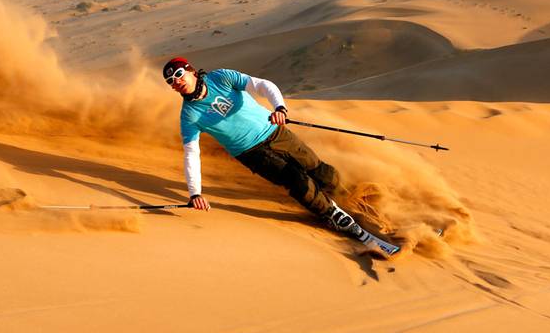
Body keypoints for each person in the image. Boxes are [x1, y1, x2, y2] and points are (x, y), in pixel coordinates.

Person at [163, 57, 395, 253]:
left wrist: (280, 108)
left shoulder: (221, 77)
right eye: (171, 81)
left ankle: (350, 199)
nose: (177, 82)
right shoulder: (189, 116)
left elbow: (262, 85)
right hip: (251, 152)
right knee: (296, 180)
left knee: (320, 170)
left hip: (276, 131)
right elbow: (191, 154)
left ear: (192, 71)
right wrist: (195, 194)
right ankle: (333, 215)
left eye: (180, 74)